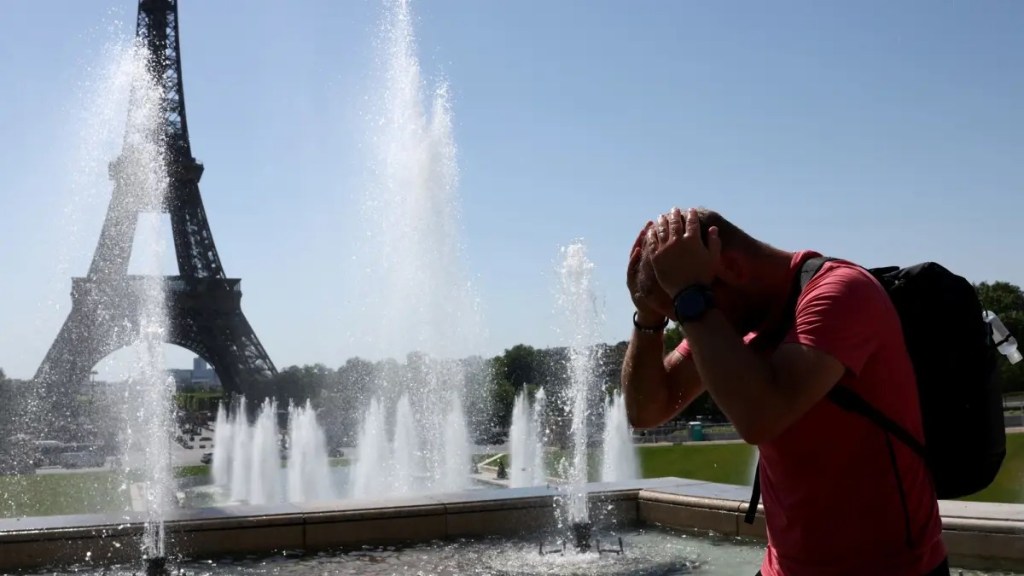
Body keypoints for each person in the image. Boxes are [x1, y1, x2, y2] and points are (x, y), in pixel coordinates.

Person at [621, 207, 948, 576]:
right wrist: (649, 317)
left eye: (682, 308)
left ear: (730, 268)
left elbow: (762, 417)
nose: (688, 323)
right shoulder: (723, 312)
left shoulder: (840, 293)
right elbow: (647, 411)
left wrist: (690, 298)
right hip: (784, 566)